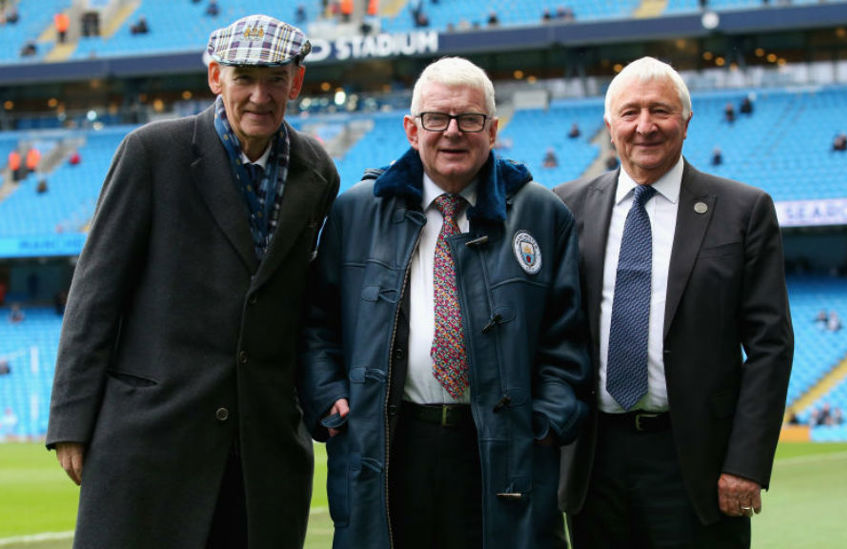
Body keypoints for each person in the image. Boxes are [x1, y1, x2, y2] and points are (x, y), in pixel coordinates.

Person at [45, 15, 339, 548]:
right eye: (244, 77)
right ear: (214, 77)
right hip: (151, 442)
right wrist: (71, 421)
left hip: (262, 454)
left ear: (296, 83)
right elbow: (95, 292)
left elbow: (299, 305)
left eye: (275, 79)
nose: (259, 95)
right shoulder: (152, 152)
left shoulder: (317, 170)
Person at [297, 56, 589, 549]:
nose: (452, 131)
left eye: (470, 119)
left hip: (500, 448)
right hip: (391, 443)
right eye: (437, 118)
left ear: (493, 130)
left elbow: (568, 338)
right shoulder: (357, 211)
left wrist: (544, 421)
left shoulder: (540, 213)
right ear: (413, 129)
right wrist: (329, 398)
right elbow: (316, 324)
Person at [554, 56, 793, 547]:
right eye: (630, 112)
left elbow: (770, 346)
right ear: (609, 125)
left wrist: (745, 464)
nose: (645, 126)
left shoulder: (743, 211)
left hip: (697, 465)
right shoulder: (563, 206)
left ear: (685, 123)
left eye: (660, 111)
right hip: (593, 461)